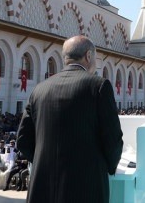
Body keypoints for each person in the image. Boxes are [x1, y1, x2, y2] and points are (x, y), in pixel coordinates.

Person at [17, 35, 123, 203]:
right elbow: (113, 137)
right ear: (88, 56)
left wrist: (42, 162)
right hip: (85, 187)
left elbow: (22, 140)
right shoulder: (99, 86)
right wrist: (109, 167)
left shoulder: (39, 89)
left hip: (43, 187)